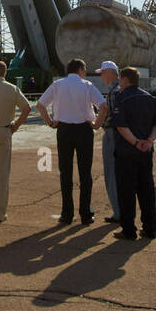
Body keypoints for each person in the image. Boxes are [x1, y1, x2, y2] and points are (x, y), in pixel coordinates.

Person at [36, 58, 105, 226]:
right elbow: (104, 106)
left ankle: (66, 214)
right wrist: (96, 124)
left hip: (64, 130)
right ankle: (85, 214)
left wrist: (51, 122)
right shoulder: (87, 85)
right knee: (85, 173)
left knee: (65, 172)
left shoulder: (58, 85)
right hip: (84, 130)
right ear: (81, 70)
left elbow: (40, 105)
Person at [110, 66, 156, 240]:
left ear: (126, 79)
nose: (118, 81)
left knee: (126, 191)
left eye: (120, 78)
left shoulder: (121, 97)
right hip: (146, 152)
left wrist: (135, 142)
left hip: (127, 152)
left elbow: (120, 125)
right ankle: (150, 229)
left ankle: (128, 230)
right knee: (147, 191)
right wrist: (148, 141)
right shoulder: (148, 98)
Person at [0, 60, 31, 224]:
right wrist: (16, 126)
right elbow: (27, 108)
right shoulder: (12, 88)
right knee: (3, 175)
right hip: (5, 131)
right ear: (5, 73)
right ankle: (0, 212)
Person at [94, 61, 122, 223]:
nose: (102, 76)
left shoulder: (113, 92)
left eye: (103, 72)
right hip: (123, 136)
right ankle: (123, 209)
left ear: (111, 72)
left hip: (112, 134)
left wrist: (97, 123)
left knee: (111, 173)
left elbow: (110, 114)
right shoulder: (122, 89)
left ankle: (117, 212)